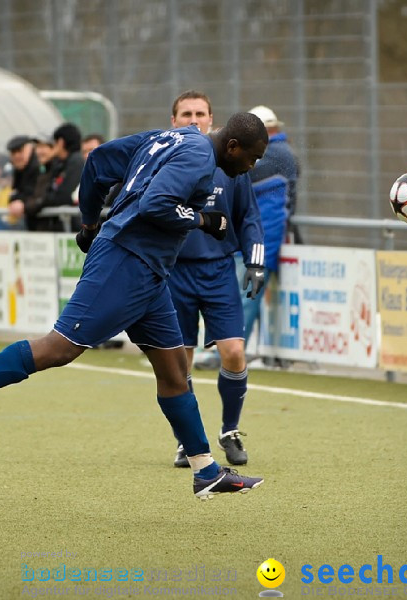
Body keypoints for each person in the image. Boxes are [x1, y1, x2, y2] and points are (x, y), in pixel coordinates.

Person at [0, 113, 269, 500]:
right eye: (252, 158)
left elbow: (99, 159)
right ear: (232, 146)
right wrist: (203, 219)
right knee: (59, 348)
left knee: (173, 371)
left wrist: (88, 224)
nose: (251, 167)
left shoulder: (173, 137)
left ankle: (206, 471)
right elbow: (156, 204)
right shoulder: (200, 156)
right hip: (126, 260)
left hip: (148, 270)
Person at [167, 91, 265, 468]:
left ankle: (229, 430)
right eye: (186, 114)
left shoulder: (231, 165)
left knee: (235, 352)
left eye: (201, 114)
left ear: (212, 119)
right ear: (173, 120)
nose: (194, 120)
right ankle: (187, 440)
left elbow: (250, 219)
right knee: (180, 363)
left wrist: (256, 263)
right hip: (173, 273)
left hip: (219, 271)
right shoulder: (166, 160)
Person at [244, 106, 297, 348]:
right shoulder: (277, 151)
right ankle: (238, 350)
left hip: (264, 237)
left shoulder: (276, 153)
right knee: (247, 295)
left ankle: (229, 353)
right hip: (261, 235)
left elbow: (239, 172)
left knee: (246, 296)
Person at [6, 135, 39, 225]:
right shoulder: (18, 171)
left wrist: (22, 202)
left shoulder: (38, 168)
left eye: (20, 151)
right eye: (13, 153)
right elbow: (14, 193)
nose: (17, 156)